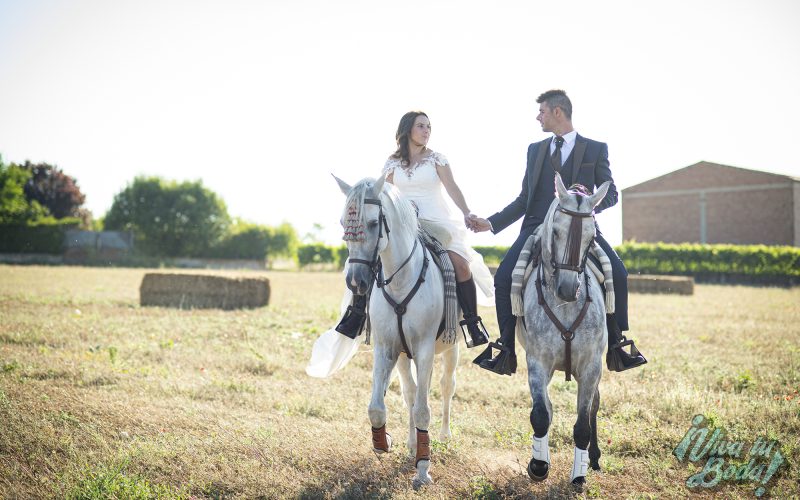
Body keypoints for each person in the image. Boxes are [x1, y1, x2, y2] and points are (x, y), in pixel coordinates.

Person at [467, 90, 647, 376]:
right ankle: (506, 349)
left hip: (579, 226)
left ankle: (616, 345)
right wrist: (491, 222)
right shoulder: (535, 150)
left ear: (558, 112)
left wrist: (583, 205)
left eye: (542, 112)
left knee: (619, 274)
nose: (538, 117)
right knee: (503, 278)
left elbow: (610, 193)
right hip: (536, 227)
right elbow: (524, 198)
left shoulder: (595, 148)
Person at [336, 111, 495, 348]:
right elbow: (386, 195)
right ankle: (357, 315)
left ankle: (471, 323)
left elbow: (452, 188)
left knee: (460, 265)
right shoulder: (391, 163)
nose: (426, 131)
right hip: (402, 225)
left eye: (429, 127)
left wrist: (466, 212)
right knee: (370, 262)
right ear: (407, 129)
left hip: (436, 223)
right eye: (421, 126)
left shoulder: (437, 159)